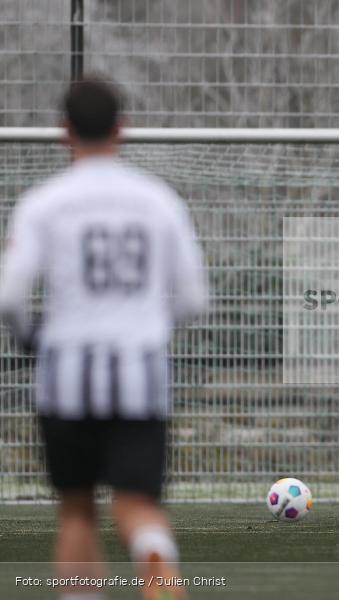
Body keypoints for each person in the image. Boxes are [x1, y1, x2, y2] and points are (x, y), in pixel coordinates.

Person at [0, 76, 208, 600]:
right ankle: (157, 565)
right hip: (139, 375)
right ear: (122, 129)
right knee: (137, 504)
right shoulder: (157, 201)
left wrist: (32, 336)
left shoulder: (43, 203)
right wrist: (145, 326)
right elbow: (193, 300)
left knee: (76, 510)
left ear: (64, 132)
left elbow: (7, 296)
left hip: (65, 377)